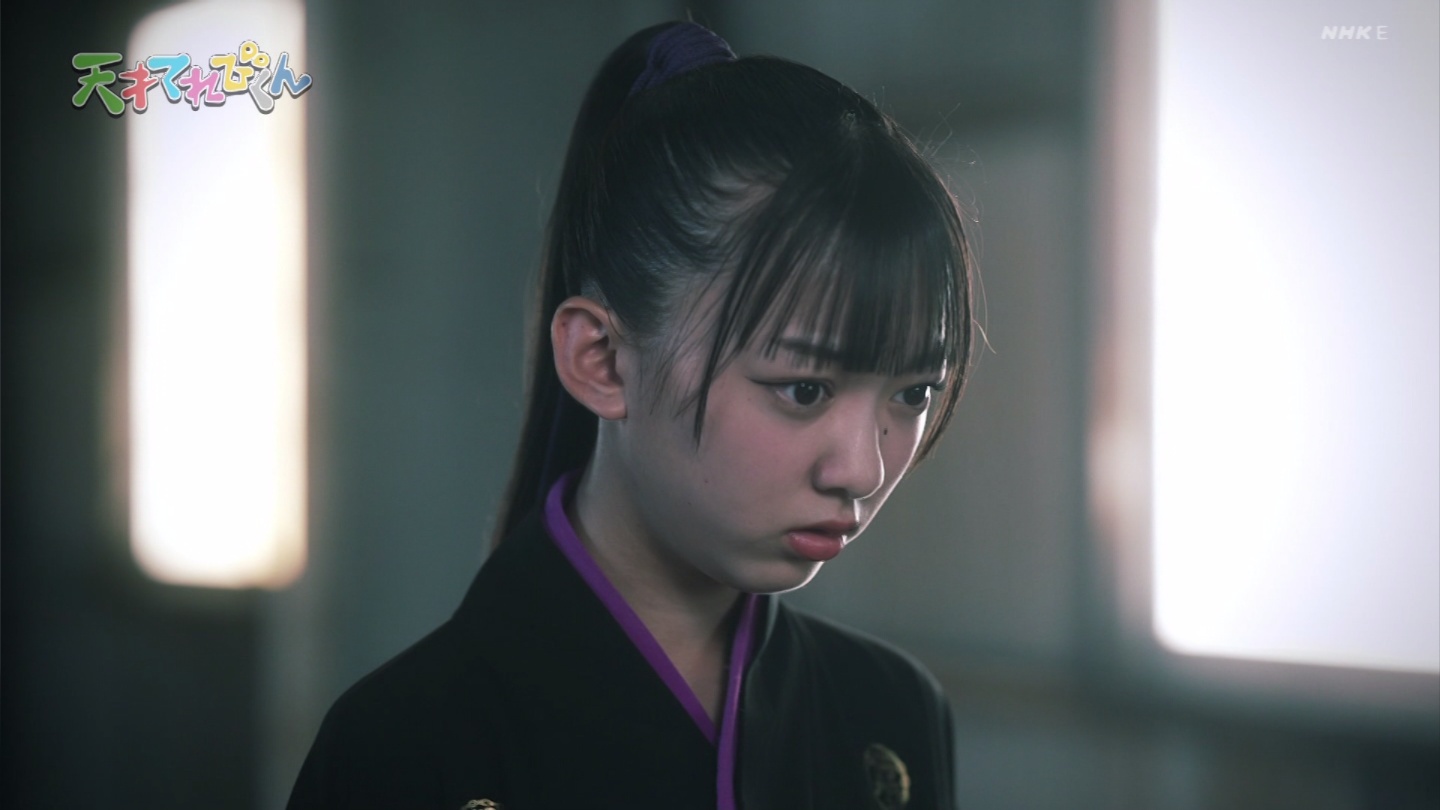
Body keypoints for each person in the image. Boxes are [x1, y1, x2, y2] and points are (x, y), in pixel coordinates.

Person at [288, 20, 975, 810]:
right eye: (804, 389)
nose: (862, 469)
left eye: (914, 393)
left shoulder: (892, 715)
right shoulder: (405, 746)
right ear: (603, 360)